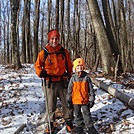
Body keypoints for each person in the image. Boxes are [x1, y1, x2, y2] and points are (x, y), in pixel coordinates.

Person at [35, 29, 74, 134]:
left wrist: (71, 77)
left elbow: (69, 65)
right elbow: (37, 66)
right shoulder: (44, 53)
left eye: (56, 38)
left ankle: (69, 122)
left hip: (63, 81)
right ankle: (51, 124)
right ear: (49, 39)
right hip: (49, 82)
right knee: (51, 105)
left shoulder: (64, 52)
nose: (54, 40)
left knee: (67, 103)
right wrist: (40, 73)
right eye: (52, 38)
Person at [66, 58, 98, 134]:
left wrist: (92, 99)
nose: (79, 68)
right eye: (77, 67)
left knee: (87, 114)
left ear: (83, 67)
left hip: (85, 100)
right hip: (75, 101)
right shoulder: (73, 78)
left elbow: (91, 90)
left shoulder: (86, 77)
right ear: (75, 68)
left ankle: (90, 127)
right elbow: (69, 91)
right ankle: (79, 126)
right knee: (77, 114)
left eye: (81, 66)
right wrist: (68, 100)